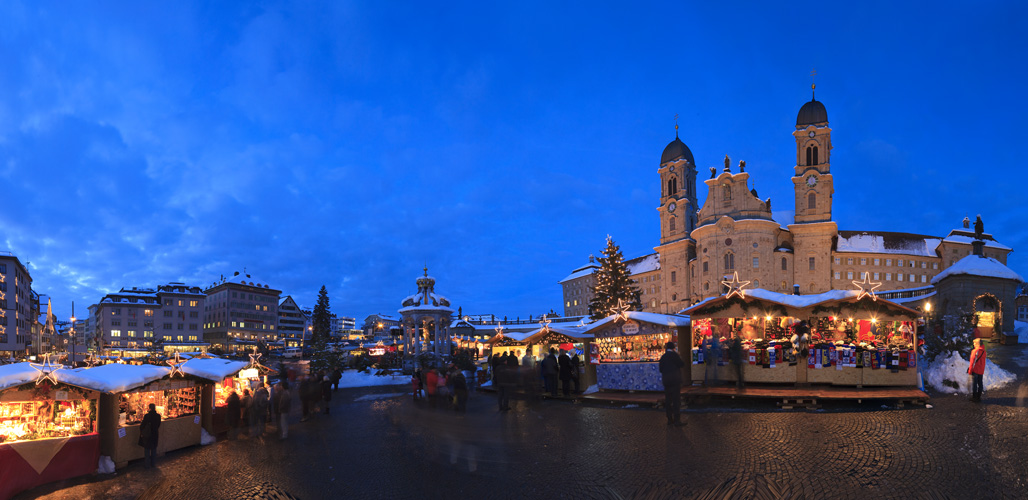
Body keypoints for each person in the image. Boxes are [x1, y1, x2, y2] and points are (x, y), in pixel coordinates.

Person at [659, 342, 685, 426]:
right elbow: (682, 364)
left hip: (666, 381)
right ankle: (677, 420)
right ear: (673, 348)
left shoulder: (663, 357)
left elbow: (660, 369)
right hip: (675, 380)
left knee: (668, 400)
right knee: (676, 400)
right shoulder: (675, 355)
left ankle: (669, 419)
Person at [138, 403, 161, 467]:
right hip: (155, 434)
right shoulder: (158, 416)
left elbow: (142, 425)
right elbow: (158, 425)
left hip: (148, 435)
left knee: (147, 450)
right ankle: (153, 464)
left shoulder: (147, 416)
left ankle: (147, 464)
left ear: (149, 408)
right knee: (154, 449)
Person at [968, 338, 987, 402]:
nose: (973, 344)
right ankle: (979, 397)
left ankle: (974, 397)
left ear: (977, 344)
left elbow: (972, 362)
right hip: (981, 370)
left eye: (974, 343)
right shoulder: (984, 351)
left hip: (975, 370)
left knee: (975, 384)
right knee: (980, 383)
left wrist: (970, 371)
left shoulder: (975, 351)